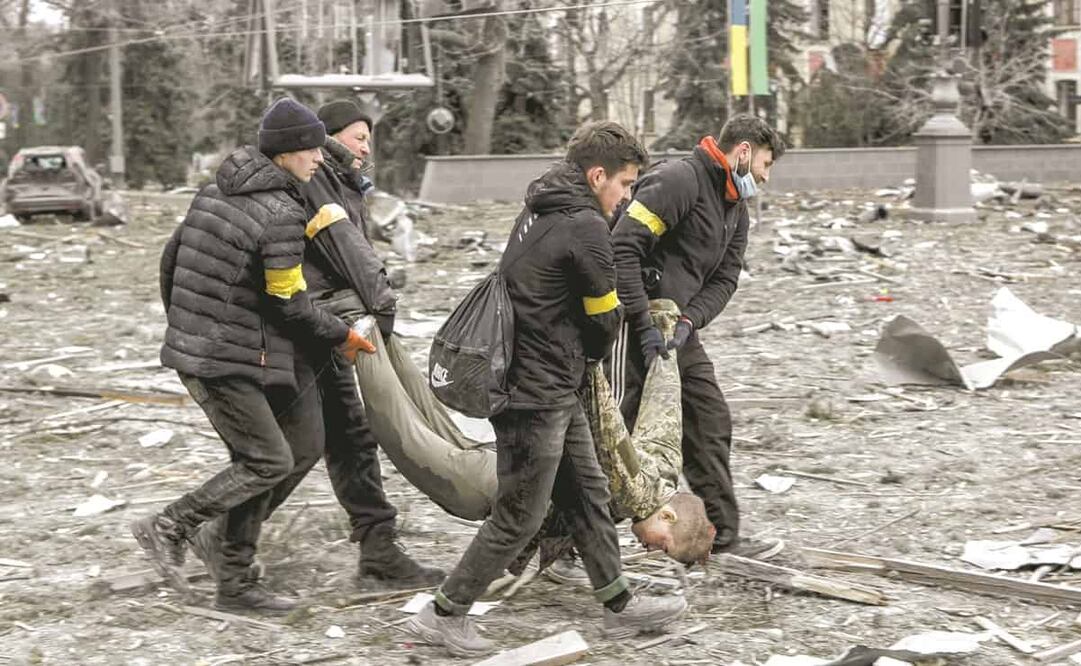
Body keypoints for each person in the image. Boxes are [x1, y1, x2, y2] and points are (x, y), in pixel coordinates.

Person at [403, 121, 687, 658]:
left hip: (550, 382)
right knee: (520, 515)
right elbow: (605, 322)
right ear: (597, 175)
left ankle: (618, 601)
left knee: (588, 492)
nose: (627, 198)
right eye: (625, 184)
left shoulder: (540, 207)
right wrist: (594, 352)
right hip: (536, 393)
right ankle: (442, 613)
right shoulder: (586, 226)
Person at [130, 97, 374, 613]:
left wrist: (184, 323)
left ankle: (233, 579)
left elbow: (171, 260)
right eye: (311, 150)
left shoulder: (213, 192)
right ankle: (172, 525)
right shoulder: (283, 213)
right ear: (284, 153)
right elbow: (290, 302)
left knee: (301, 445)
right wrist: (342, 335)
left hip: (230, 349)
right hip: (223, 359)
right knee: (266, 460)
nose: (319, 159)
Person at [608, 113, 786, 560]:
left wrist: (690, 322)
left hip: (677, 332)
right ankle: (564, 541)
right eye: (765, 163)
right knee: (616, 433)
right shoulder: (678, 181)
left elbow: (725, 280)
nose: (766, 176)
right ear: (742, 152)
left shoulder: (735, 211)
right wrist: (642, 322)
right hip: (628, 326)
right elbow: (622, 248)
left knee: (710, 420)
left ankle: (719, 538)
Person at [299, 98, 443, 588]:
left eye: (368, 139)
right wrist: (382, 306)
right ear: (330, 136)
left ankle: (378, 549)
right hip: (313, 325)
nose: (366, 148)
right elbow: (347, 249)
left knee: (347, 438)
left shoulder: (340, 181)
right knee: (294, 450)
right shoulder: (319, 178)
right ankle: (209, 534)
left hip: (326, 321)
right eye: (359, 138)